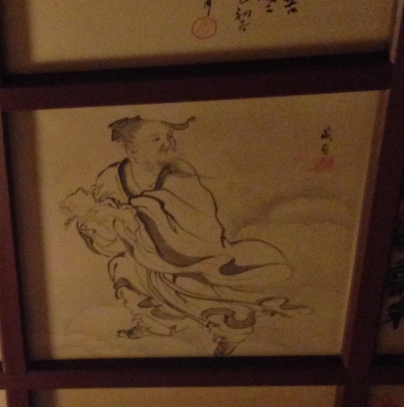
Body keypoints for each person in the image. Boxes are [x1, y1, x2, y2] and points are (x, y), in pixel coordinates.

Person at [61, 116, 309, 356]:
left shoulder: (180, 173)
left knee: (189, 284)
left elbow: (195, 221)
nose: (168, 143)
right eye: (156, 139)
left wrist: (126, 215)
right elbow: (108, 230)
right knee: (122, 267)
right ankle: (154, 323)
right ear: (133, 150)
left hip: (188, 252)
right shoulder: (111, 178)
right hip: (142, 253)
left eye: (169, 136)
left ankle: (232, 328)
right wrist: (94, 221)